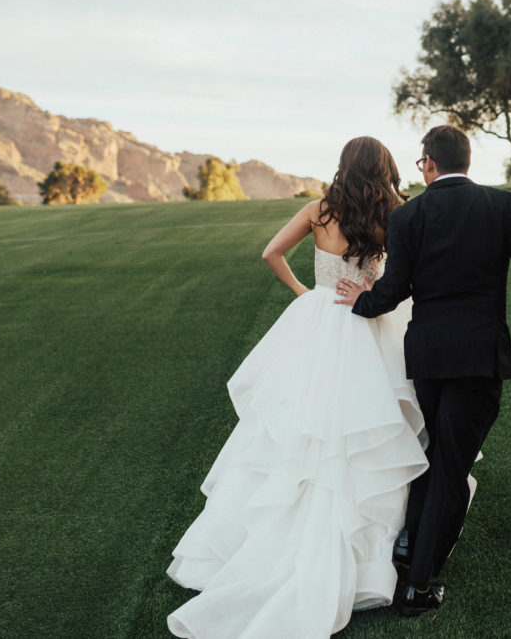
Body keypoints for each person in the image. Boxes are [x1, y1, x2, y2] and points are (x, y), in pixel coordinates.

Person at [165, 136, 429, 638]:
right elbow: (408, 272)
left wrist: (307, 293)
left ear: (343, 166)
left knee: (301, 423)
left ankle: (263, 537)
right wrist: (374, 291)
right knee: (366, 425)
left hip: (319, 318)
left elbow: (271, 253)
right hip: (368, 320)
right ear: (386, 168)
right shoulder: (395, 213)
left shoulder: (318, 209)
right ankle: (370, 553)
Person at [335, 125, 511, 616]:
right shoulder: (501, 205)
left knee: (441, 452)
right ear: (467, 160)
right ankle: (417, 586)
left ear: (428, 162)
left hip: (425, 357)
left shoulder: (409, 216)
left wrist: (363, 302)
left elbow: (396, 287)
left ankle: (408, 544)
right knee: (450, 464)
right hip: (477, 358)